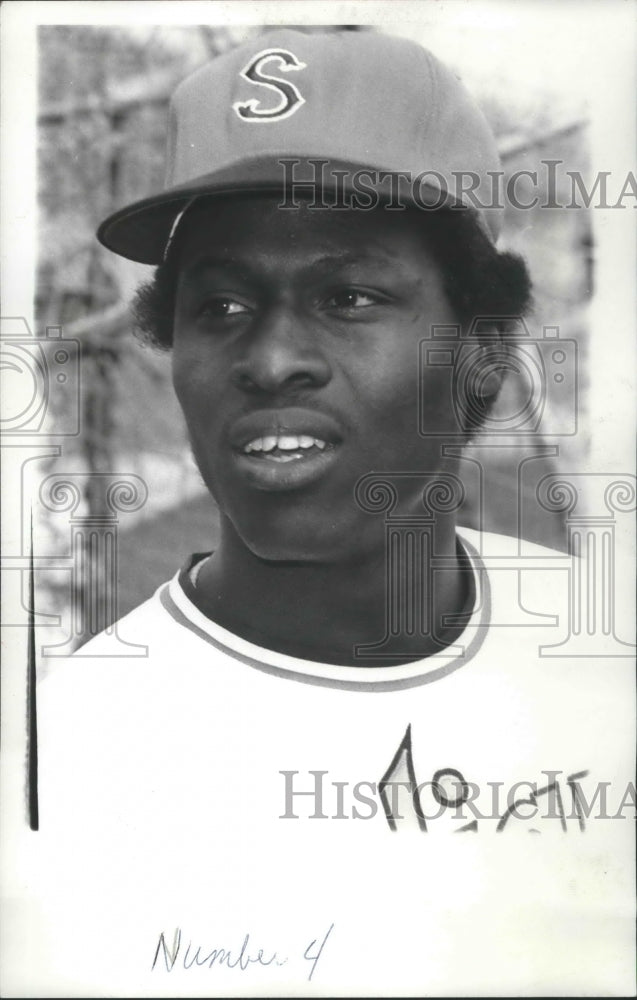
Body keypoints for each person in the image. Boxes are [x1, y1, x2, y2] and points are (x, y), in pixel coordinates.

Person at [34, 28, 633, 997]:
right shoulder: (63, 759)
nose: (270, 361)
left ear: (480, 348)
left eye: (348, 295)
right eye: (220, 306)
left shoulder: (606, 663)